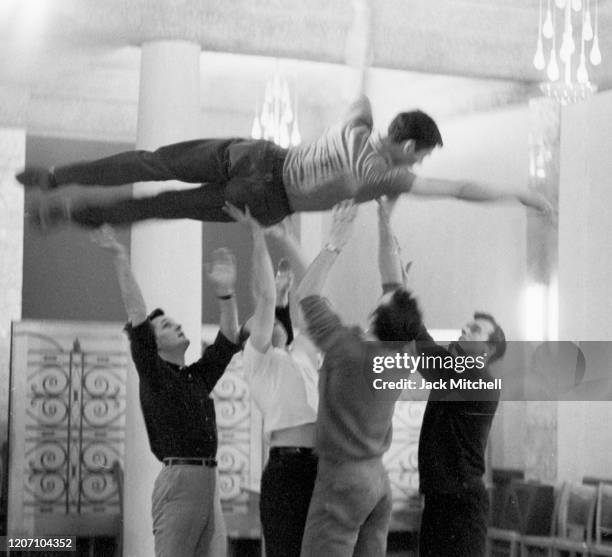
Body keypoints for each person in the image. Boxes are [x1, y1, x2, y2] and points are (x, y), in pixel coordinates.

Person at [18, 95, 553, 229]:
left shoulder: (358, 121)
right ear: (413, 149)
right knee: (163, 206)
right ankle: (69, 214)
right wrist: (520, 194)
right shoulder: (386, 174)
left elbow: (360, 80)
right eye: (424, 153)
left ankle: (57, 178)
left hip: (258, 154)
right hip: (263, 198)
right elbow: (459, 189)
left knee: (151, 162)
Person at [92, 225, 240, 557]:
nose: (176, 325)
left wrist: (226, 294)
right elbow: (137, 317)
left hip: (208, 482)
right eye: (166, 326)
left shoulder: (195, 377)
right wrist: (120, 257)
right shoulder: (155, 375)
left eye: (174, 322)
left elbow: (229, 337)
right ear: (154, 343)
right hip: (180, 482)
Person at [376, 197, 507, 557]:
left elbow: (425, 348)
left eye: (476, 329)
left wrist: (399, 295)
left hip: (461, 506)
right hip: (439, 499)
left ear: (487, 351)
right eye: (468, 323)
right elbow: (425, 346)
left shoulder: (479, 380)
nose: (466, 327)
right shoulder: (457, 371)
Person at [295, 201, 424, 557]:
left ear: (372, 320)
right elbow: (392, 282)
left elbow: (306, 293)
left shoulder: (348, 351)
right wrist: (385, 221)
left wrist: (335, 241)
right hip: (376, 483)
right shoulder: (403, 355)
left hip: (342, 480)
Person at [225, 204, 319, 557]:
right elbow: (265, 298)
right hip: (287, 470)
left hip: (322, 467)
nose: (264, 320)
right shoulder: (259, 360)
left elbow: (312, 294)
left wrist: (289, 240)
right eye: (256, 322)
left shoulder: (302, 353)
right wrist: (258, 237)